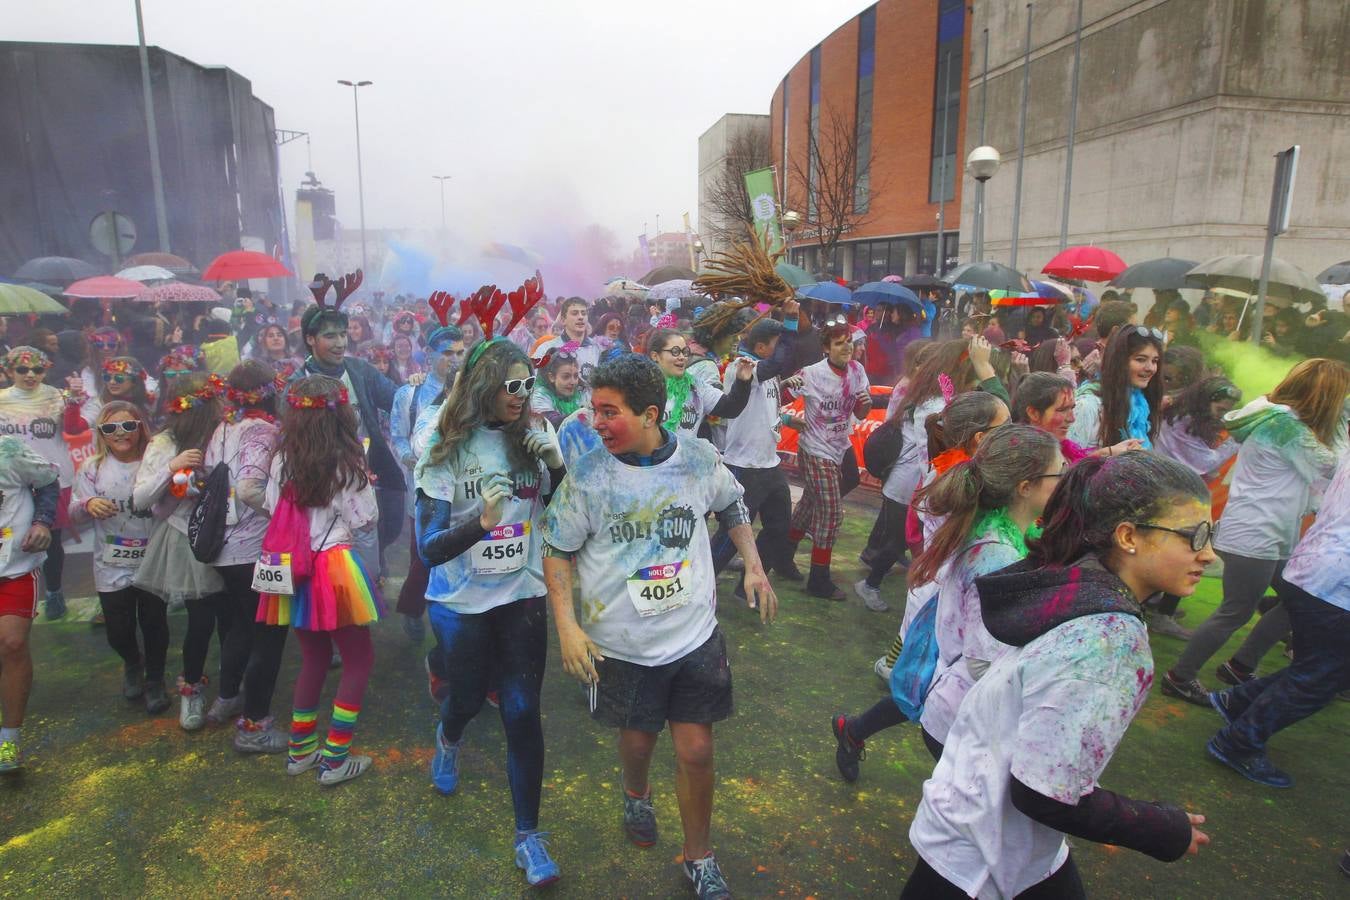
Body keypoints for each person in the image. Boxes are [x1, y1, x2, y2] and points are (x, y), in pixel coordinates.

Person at [902, 451, 1213, 897]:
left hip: (976, 819)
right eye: (1195, 536)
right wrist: (1163, 829)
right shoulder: (1110, 640)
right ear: (1128, 536)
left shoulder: (1074, 583)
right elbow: (1043, 794)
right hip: (982, 855)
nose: (1210, 554)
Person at [541, 354, 777, 900]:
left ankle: (699, 856)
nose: (594, 423)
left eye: (608, 412)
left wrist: (756, 569)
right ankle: (635, 792)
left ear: (650, 415)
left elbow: (733, 505)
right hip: (622, 645)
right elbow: (556, 549)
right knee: (638, 740)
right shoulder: (589, 477)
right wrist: (568, 629)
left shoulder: (696, 459)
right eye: (592, 409)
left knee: (696, 751)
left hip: (693, 636)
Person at [416, 339, 566, 887]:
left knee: (523, 711)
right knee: (469, 698)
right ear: (484, 385)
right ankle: (449, 735)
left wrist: (557, 466)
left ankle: (529, 836)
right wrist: (479, 523)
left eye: (529, 385)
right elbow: (427, 547)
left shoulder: (533, 437)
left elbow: (565, 518)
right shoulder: (446, 446)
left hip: (522, 594)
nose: (522, 395)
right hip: (459, 603)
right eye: (512, 385)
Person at [834, 417, 1055, 785]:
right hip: (957, 681)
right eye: (1059, 476)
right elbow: (983, 661)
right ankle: (854, 729)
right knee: (921, 700)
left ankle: (853, 729)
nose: (1064, 484)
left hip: (951, 648)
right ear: (1024, 486)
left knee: (916, 693)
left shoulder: (996, 519)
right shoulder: (993, 549)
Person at [1163, 359, 1349, 704]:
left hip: (1266, 530)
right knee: (1236, 610)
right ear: (1325, 399)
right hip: (1256, 533)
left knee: (1294, 600)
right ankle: (1180, 676)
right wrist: (1340, 428)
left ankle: (1241, 665)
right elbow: (1335, 467)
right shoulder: (1286, 427)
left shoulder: (1277, 418)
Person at [261, 375, 382, 786]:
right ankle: (335, 758)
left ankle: (300, 751)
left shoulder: (281, 460)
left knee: (312, 658)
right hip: (333, 567)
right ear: (341, 413)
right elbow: (365, 519)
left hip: (292, 569)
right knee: (359, 660)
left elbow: (267, 506)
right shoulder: (346, 461)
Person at [198, 361, 292, 751]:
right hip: (255, 551)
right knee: (269, 634)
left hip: (223, 547)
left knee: (240, 624)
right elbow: (252, 488)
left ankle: (227, 699)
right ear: (268, 392)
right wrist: (287, 512)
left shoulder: (222, 428)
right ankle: (254, 724)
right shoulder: (262, 431)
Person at [131, 374, 228, 729]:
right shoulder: (165, 441)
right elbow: (141, 498)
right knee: (201, 622)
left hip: (230, 537)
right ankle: (192, 691)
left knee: (231, 620)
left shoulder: (225, 433)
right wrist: (172, 468)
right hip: (183, 538)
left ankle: (231, 688)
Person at [69, 401, 169, 714]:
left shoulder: (154, 463)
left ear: (140, 427)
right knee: (118, 629)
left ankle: (154, 679)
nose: (120, 433)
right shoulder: (92, 467)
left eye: (128, 426)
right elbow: (73, 511)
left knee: (154, 623)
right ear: (101, 433)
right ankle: (131, 662)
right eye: (111, 428)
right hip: (110, 563)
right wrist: (89, 505)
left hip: (152, 558)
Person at [296, 295, 403, 581]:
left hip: (373, 467)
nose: (341, 342)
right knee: (338, 543)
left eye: (343, 334)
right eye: (330, 336)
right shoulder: (298, 382)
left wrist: (420, 388)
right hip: (323, 477)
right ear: (310, 339)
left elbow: (397, 400)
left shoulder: (360, 370)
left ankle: (372, 566)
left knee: (390, 522)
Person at [783, 323, 872, 600]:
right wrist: (787, 415)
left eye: (849, 342)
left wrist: (865, 404)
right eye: (838, 343)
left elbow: (861, 410)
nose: (846, 347)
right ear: (825, 348)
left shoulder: (857, 371)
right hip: (815, 448)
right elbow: (776, 397)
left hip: (840, 444)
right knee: (831, 512)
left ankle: (783, 556)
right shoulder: (811, 374)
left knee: (811, 502)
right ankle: (818, 579)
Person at [709, 319, 796, 590]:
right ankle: (702, 585)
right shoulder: (742, 366)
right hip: (744, 466)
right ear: (760, 346)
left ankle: (747, 583)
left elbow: (764, 403)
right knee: (731, 535)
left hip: (769, 464)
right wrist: (790, 323)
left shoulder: (765, 369)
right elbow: (775, 364)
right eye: (775, 344)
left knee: (779, 527)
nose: (780, 350)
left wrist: (788, 412)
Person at [392, 323, 466, 642]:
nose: (455, 359)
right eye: (448, 353)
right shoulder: (411, 393)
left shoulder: (470, 392)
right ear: (430, 355)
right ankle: (412, 610)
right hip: (423, 493)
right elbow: (397, 435)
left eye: (461, 352)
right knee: (423, 557)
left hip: (464, 494)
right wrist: (412, 459)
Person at [0, 347, 81, 619]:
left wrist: (75, 404)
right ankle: (16, 591)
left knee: (51, 537)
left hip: (52, 478)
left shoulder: (57, 396)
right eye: (22, 369)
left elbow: (74, 429)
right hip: (14, 482)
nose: (30, 375)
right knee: (14, 534)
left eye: (38, 369)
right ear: (9, 371)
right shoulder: (1, 400)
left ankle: (54, 592)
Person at [0, 435, 59, 773]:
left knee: (12, 643)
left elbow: (49, 480)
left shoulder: (8, 449)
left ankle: (10, 738)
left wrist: (42, 522)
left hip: (14, 567)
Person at [1068, 325, 1164, 451]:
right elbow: (1067, 464)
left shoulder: (1142, 404)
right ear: (1118, 361)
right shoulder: (1088, 406)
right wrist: (1107, 454)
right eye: (1141, 359)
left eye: (1155, 361)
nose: (1150, 368)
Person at [646, 328, 753, 439]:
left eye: (685, 352)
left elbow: (731, 407)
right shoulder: (641, 388)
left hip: (685, 455)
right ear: (655, 356)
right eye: (675, 352)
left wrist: (742, 381)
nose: (682, 357)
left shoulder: (696, 387)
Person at [535, 298, 600, 385]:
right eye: (575, 313)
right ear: (563, 320)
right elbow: (537, 385)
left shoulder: (596, 348)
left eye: (584, 313)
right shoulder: (547, 348)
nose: (580, 317)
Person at [529, 347, 586, 428]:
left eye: (576, 376)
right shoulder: (539, 395)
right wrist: (582, 416)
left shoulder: (581, 393)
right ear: (551, 377)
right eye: (566, 377)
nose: (573, 382)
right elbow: (551, 422)